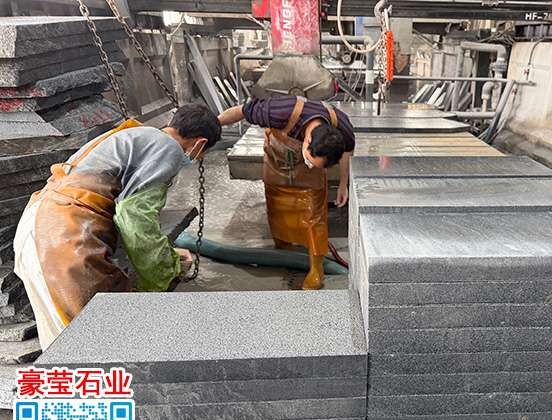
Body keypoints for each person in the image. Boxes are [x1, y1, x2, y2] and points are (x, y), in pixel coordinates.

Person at [13, 104, 222, 349]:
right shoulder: (168, 148)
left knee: (63, 343)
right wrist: (165, 269)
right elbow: (135, 218)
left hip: (38, 225)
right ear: (199, 144)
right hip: (63, 241)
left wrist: (167, 253)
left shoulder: (134, 135)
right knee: (98, 343)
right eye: (200, 154)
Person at [218, 95, 355, 290]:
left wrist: (343, 184)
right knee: (277, 212)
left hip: (309, 180)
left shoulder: (342, 125)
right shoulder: (279, 111)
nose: (312, 164)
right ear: (308, 141)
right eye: (311, 160)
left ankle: (316, 267)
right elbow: (242, 111)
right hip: (277, 165)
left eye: (318, 165)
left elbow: (347, 151)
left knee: (315, 218)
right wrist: (212, 126)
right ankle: (283, 250)